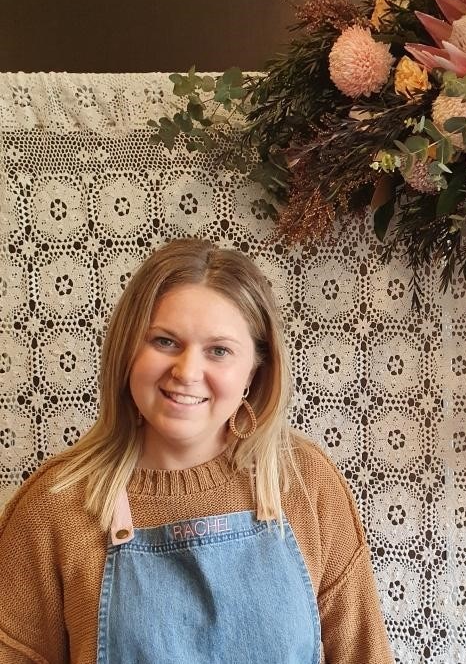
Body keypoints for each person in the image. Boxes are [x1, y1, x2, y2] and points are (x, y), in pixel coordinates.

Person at [0, 239, 395, 664]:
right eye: (165, 341)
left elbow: (363, 655)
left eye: (219, 351)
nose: (187, 371)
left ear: (254, 372)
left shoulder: (304, 482)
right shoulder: (55, 505)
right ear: (127, 351)